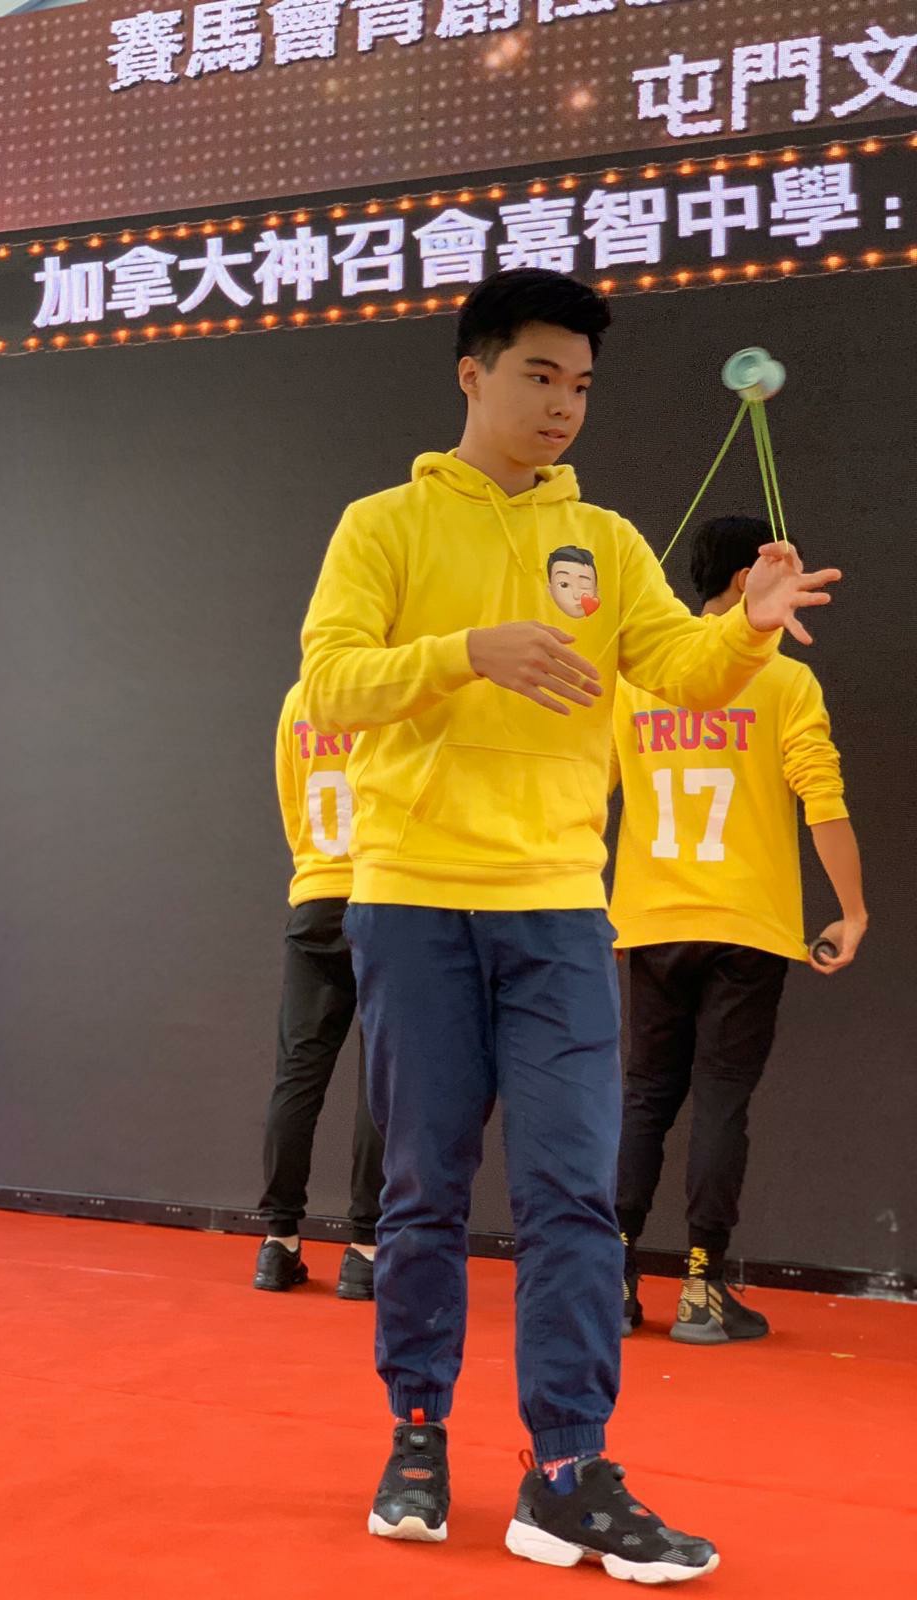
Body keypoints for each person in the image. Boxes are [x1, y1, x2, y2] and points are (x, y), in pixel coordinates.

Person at [298, 268, 839, 1582]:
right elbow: (330, 683)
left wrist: (750, 631)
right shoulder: (383, 526)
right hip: (413, 900)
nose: (562, 405)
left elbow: (680, 669)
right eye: (539, 375)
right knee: (423, 1188)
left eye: (582, 386)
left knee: (573, 1199)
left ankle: (566, 1471)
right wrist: (464, 652)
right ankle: (416, 1433)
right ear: (473, 372)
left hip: (555, 910)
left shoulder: (605, 541)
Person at [610, 516, 866, 1345]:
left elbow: (585, 789)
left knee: (644, 1098)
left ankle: (610, 1279)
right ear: (753, 575)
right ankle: (701, 1288)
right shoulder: (784, 682)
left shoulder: (636, 680)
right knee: (721, 1099)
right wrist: (853, 911)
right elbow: (822, 798)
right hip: (748, 929)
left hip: (650, 921)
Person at [254, 681, 385, 1300]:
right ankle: (365, 1249)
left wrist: (314, 868)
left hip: (313, 896)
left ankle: (277, 1244)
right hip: (383, 897)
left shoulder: (298, 700)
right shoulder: (389, 691)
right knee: (379, 1078)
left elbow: (290, 801)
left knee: (297, 1075)